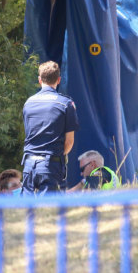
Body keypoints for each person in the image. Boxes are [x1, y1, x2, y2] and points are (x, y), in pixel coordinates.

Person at [22, 61, 79, 195]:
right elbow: (69, 142)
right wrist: (56, 158)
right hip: (50, 165)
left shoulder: (28, 103)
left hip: (28, 164)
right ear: (58, 80)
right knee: (48, 209)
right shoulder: (66, 104)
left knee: (25, 211)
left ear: (39, 80)